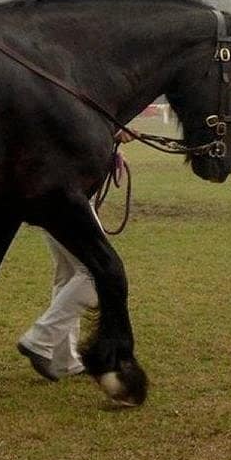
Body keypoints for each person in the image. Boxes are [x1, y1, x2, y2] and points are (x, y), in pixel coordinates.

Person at [17, 129, 136, 381]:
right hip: (66, 200)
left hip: (53, 197)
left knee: (68, 274)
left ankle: (64, 360)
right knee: (98, 274)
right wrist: (110, 132)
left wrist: (110, 147)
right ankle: (40, 338)